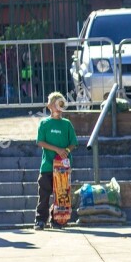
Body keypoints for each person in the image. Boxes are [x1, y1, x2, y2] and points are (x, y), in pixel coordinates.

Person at [34, 92, 78, 230]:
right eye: (55, 104)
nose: (58, 107)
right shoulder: (44, 123)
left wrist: (66, 151)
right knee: (44, 194)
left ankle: (57, 220)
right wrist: (57, 149)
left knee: (61, 194)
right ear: (49, 106)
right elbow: (40, 142)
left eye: (60, 104)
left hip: (63, 167)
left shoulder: (67, 124)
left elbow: (73, 143)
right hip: (47, 166)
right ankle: (40, 220)